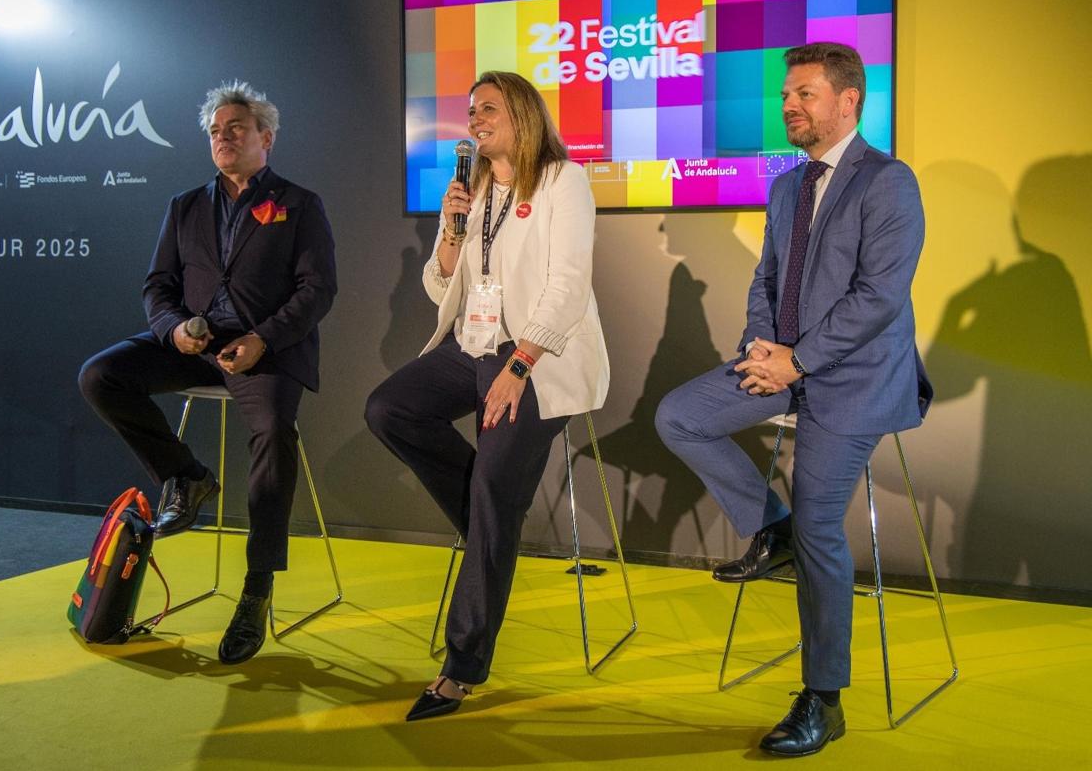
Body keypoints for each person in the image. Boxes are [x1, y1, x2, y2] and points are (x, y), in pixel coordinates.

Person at [655, 43, 932, 757]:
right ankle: (766, 526)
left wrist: (799, 361)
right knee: (680, 415)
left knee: (821, 529)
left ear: (848, 102)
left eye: (804, 94)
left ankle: (823, 699)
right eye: (786, 96)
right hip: (781, 363)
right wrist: (760, 349)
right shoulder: (786, 187)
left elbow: (879, 297)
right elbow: (767, 281)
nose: (789, 106)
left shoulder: (889, 182)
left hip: (855, 377)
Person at [365, 71, 610, 721]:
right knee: (389, 409)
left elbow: (569, 284)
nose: (474, 119)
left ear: (523, 114)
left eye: (488, 109)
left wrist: (521, 363)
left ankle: (460, 667)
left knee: (493, 494)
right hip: (472, 344)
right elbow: (441, 288)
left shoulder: (563, 180)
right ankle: (490, 527)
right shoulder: (475, 190)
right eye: (470, 110)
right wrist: (449, 233)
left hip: (537, 356)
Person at [78, 81, 336, 664]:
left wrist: (260, 339)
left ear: (265, 138)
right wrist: (173, 329)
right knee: (101, 376)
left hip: (266, 349)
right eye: (215, 131)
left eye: (235, 128)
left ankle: (256, 589)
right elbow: (158, 285)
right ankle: (187, 477)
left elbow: (318, 291)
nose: (222, 137)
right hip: (195, 343)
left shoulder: (299, 203)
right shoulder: (185, 205)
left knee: (273, 435)